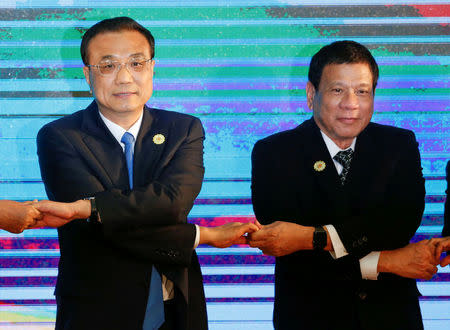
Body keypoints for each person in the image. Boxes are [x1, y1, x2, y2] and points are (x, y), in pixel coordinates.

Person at [35, 17, 257, 330]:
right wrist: (201, 235)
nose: (125, 78)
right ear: (87, 74)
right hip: (96, 311)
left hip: (176, 308)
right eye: (108, 66)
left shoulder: (183, 129)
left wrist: (96, 208)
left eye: (136, 63)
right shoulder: (60, 136)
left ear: (151, 68)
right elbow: (95, 229)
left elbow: (172, 203)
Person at [249, 40, 435, 329]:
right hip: (310, 317)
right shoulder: (274, 153)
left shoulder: (399, 146)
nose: (351, 103)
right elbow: (288, 249)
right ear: (311, 94)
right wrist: (384, 262)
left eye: (362, 91)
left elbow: (398, 224)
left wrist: (311, 237)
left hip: (390, 316)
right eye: (338, 90)